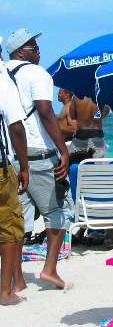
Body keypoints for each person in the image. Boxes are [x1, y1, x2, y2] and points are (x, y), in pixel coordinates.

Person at [5, 28, 71, 290]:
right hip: (39, 154)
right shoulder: (37, 74)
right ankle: (49, 270)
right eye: (34, 47)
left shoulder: (2, 74)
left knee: (19, 218)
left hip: (12, 157)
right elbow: (45, 111)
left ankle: (17, 279)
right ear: (20, 51)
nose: (39, 52)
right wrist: (63, 150)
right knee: (59, 211)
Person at [0, 37, 30, 305]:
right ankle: (6, 291)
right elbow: (16, 127)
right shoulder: (2, 79)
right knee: (9, 226)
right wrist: (24, 165)